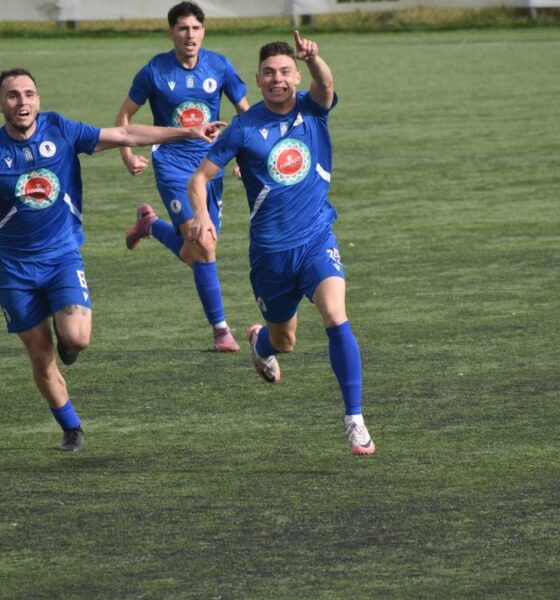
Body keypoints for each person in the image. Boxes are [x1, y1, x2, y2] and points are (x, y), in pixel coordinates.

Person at [0, 68, 226, 452]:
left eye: (29, 94)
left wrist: (188, 132)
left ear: (38, 99)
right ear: (2, 103)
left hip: (61, 257)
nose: (23, 102)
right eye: (12, 95)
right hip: (12, 268)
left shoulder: (60, 129)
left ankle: (68, 338)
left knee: (77, 337)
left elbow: (125, 134)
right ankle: (71, 428)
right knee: (39, 355)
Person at [187, 33, 376, 456]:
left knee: (335, 315)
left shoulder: (313, 110)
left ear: (296, 76)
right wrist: (202, 216)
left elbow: (326, 85)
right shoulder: (242, 128)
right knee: (284, 341)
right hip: (270, 256)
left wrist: (314, 59)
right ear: (257, 80)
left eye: (286, 71)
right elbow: (199, 179)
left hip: (316, 239)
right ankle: (261, 345)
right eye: (269, 73)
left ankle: (355, 421)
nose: (278, 79)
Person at [115, 1, 250, 353]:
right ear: (170, 33)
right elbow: (124, 117)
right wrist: (127, 155)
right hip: (172, 165)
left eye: (196, 28)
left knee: (196, 251)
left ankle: (151, 226)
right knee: (204, 245)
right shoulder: (154, 71)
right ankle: (221, 331)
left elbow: (246, 114)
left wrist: (246, 156)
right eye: (183, 28)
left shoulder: (219, 65)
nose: (190, 35)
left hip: (209, 167)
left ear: (203, 32)